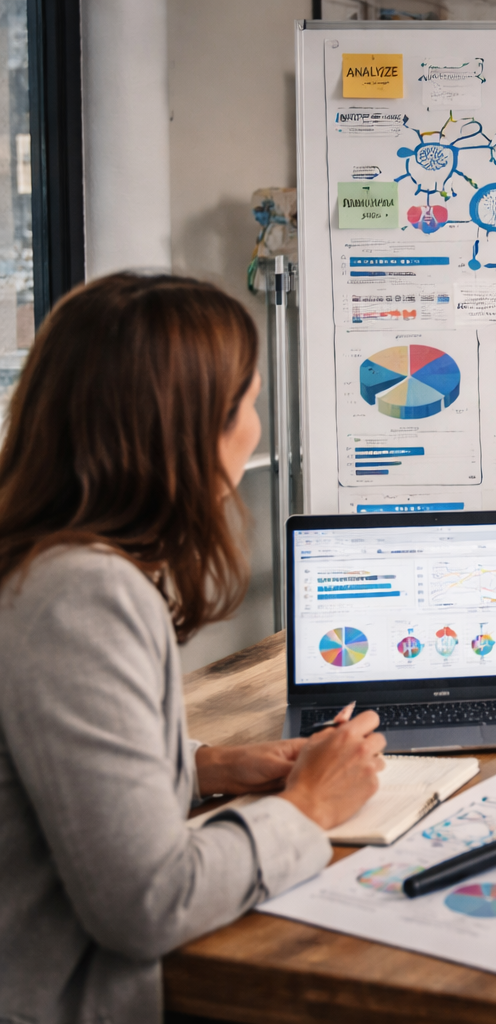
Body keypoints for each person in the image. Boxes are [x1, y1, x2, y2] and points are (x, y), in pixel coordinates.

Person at [0, 274, 387, 1023]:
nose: (255, 429)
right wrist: (308, 806)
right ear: (186, 432)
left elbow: (42, 762)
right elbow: (149, 901)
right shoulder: (81, 593)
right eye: (247, 404)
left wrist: (205, 766)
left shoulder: (37, 560)